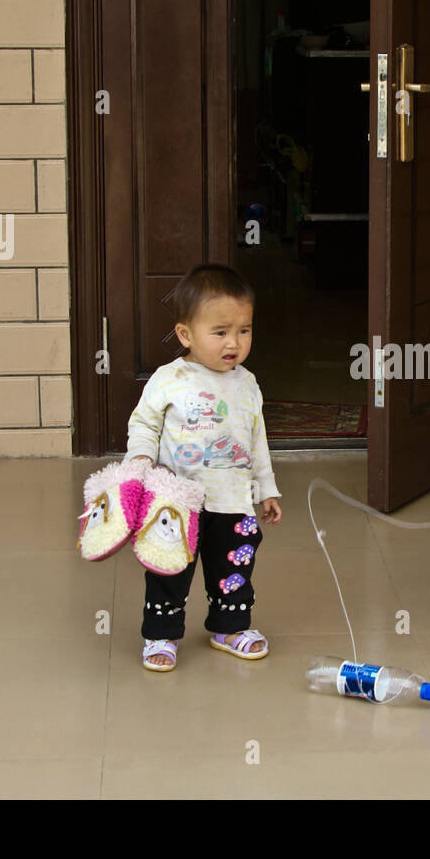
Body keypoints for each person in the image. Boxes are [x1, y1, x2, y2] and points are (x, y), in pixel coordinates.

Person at [125, 264, 282, 672]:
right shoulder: (169, 379)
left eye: (244, 330)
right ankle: (161, 632)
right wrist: (139, 461)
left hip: (232, 500)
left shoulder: (247, 384)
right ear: (185, 335)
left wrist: (267, 488)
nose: (234, 342)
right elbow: (144, 423)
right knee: (169, 567)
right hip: (176, 501)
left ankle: (230, 627)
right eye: (220, 332)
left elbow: (256, 439)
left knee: (234, 564)